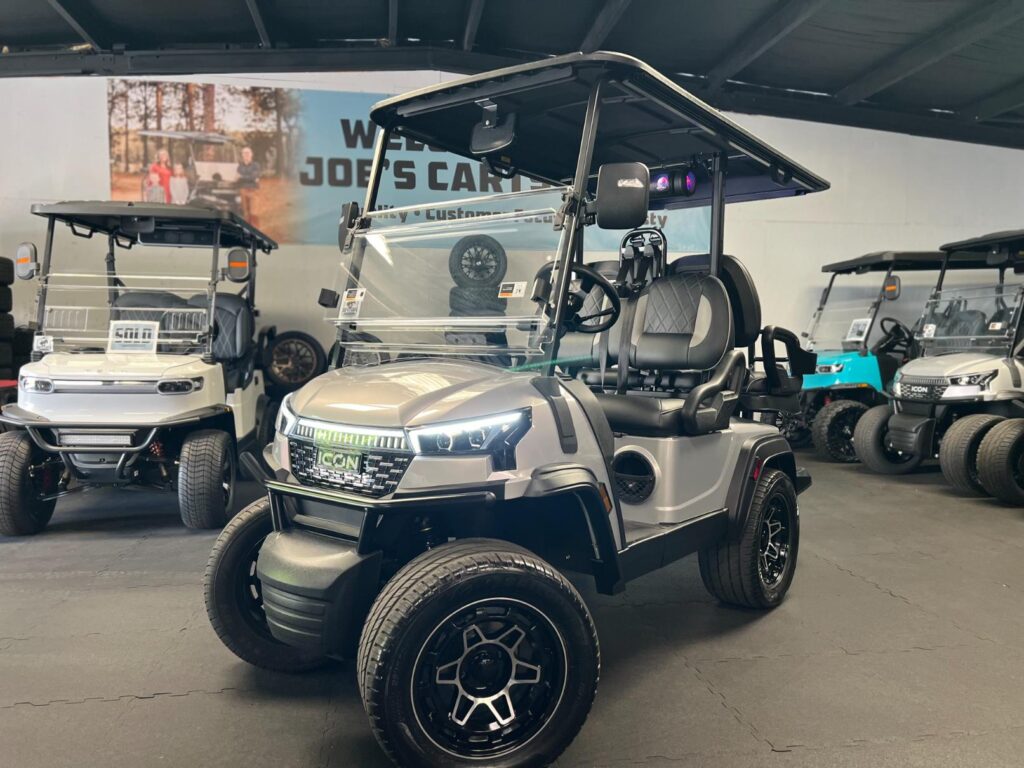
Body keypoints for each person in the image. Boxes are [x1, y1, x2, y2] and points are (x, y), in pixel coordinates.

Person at [237, 146, 261, 226]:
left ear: (252, 154)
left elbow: (254, 177)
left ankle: (255, 231)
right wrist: (250, 177)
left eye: (248, 153)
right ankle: (247, 230)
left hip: (253, 190)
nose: (246, 155)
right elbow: (238, 178)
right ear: (242, 155)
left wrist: (242, 177)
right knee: (246, 213)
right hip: (243, 190)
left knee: (254, 213)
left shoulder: (256, 165)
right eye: (244, 153)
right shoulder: (240, 166)